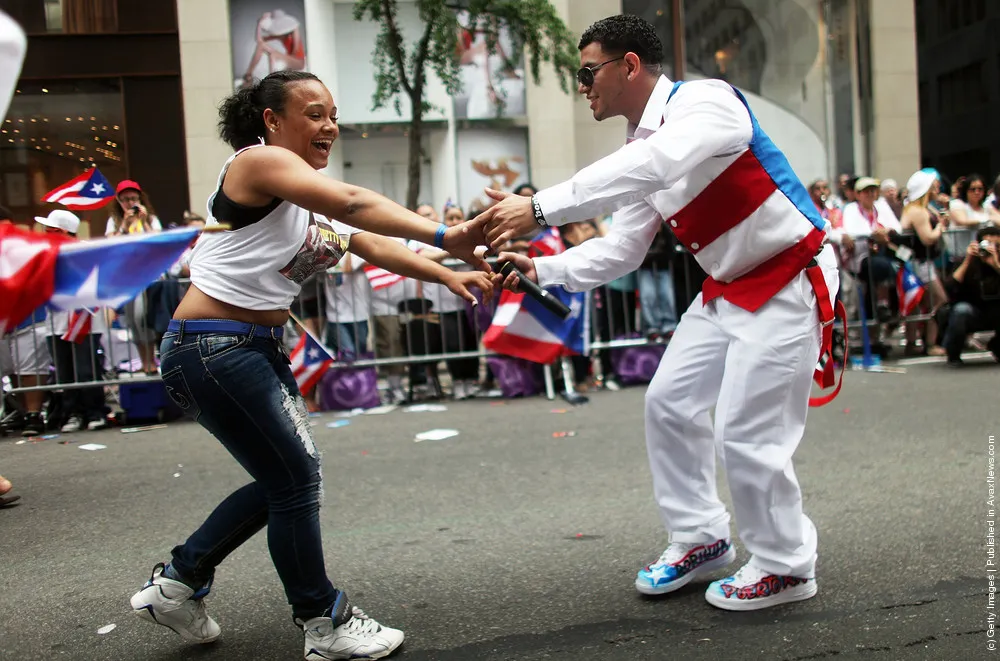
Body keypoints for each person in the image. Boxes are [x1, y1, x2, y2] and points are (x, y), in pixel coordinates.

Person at [476, 14, 841, 611]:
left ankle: (786, 564)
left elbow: (660, 164)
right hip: (728, 287)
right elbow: (623, 248)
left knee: (748, 432)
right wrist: (539, 269)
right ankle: (701, 536)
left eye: (588, 71)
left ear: (630, 65)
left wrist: (540, 207)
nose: (582, 84)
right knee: (669, 402)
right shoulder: (638, 149)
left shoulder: (706, 102)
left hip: (788, 277)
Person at [129, 69, 491, 660]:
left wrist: (446, 272)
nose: (330, 126)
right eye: (315, 113)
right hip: (214, 347)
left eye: (332, 115)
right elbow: (355, 201)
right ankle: (323, 621)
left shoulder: (301, 200)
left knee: (284, 480)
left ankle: (177, 583)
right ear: (273, 121)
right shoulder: (256, 162)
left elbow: (368, 240)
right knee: (295, 481)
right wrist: (446, 231)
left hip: (244, 349)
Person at [942, 226, 1000, 365]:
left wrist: (996, 265)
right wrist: (968, 260)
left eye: (996, 245)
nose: (992, 249)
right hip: (973, 310)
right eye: (987, 245)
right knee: (961, 311)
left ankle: (997, 346)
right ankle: (954, 353)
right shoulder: (969, 261)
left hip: (997, 310)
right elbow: (950, 287)